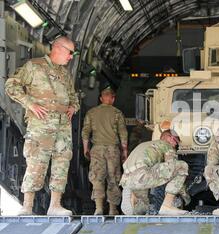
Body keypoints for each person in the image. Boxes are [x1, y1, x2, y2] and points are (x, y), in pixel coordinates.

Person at [5, 36, 79, 216]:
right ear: (58, 48)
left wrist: (73, 107)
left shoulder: (65, 73)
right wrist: (29, 103)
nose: (71, 57)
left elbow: (73, 96)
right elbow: (11, 85)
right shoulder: (34, 66)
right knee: (37, 162)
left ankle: (55, 206)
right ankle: (27, 207)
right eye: (70, 53)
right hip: (41, 124)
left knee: (61, 163)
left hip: (62, 125)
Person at [82, 86, 128, 215]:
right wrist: (125, 151)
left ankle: (99, 208)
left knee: (97, 178)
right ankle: (113, 209)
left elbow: (85, 132)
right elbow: (123, 134)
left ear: (101, 98)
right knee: (113, 178)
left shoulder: (91, 113)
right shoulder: (117, 113)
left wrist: (86, 149)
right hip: (113, 150)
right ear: (113, 99)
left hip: (97, 150)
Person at [119, 130, 189, 215]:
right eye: (175, 142)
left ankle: (133, 199)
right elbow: (174, 169)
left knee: (142, 209)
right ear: (168, 137)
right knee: (182, 166)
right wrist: (185, 194)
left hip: (126, 179)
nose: (175, 145)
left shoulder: (144, 145)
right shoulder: (166, 145)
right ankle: (167, 205)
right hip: (142, 176)